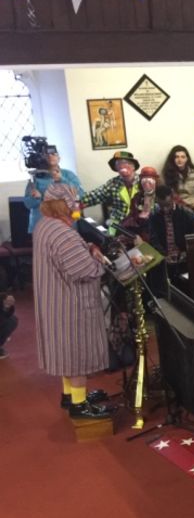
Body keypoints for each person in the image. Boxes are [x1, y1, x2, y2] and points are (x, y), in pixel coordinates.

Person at [32, 184, 111, 420]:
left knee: (65, 352)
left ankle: (69, 395)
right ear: (63, 205)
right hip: (71, 305)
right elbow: (83, 270)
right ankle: (79, 405)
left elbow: (69, 253)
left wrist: (87, 246)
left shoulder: (45, 225)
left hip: (54, 301)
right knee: (77, 353)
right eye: (74, 202)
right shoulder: (63, 233)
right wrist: (102, 264)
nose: (78, 206)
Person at [143, 184, 194, 295]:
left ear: (173, 199)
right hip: (163, 257)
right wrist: (163, 255)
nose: (165, 209)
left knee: (184, 289)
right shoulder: (154, 215)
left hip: (184, 258)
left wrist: (185, 253)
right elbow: (153, 238)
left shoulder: (188, 215)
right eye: (161, 205)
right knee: (155, 283)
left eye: (168, 205)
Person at [24, 144, 83, 234]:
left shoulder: (68, 174)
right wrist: (36, 198)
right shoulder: (36, 177)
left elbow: (80, 195)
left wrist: (61, 179)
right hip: (42, 225)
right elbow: (28, 204)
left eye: (53, 154)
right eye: (46, 154)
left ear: (59, 158)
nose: (50, 156)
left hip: (66, 224)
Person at [80, 150, 141, 235]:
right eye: (118, 164)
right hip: (117, 225)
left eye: (126, 163)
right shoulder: (112, 183)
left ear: (133, 166)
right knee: (109, 241)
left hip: (141, 225)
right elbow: (96, 195)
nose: (123, 167)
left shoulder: (145, 182)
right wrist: (75, 200)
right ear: (116, 169)